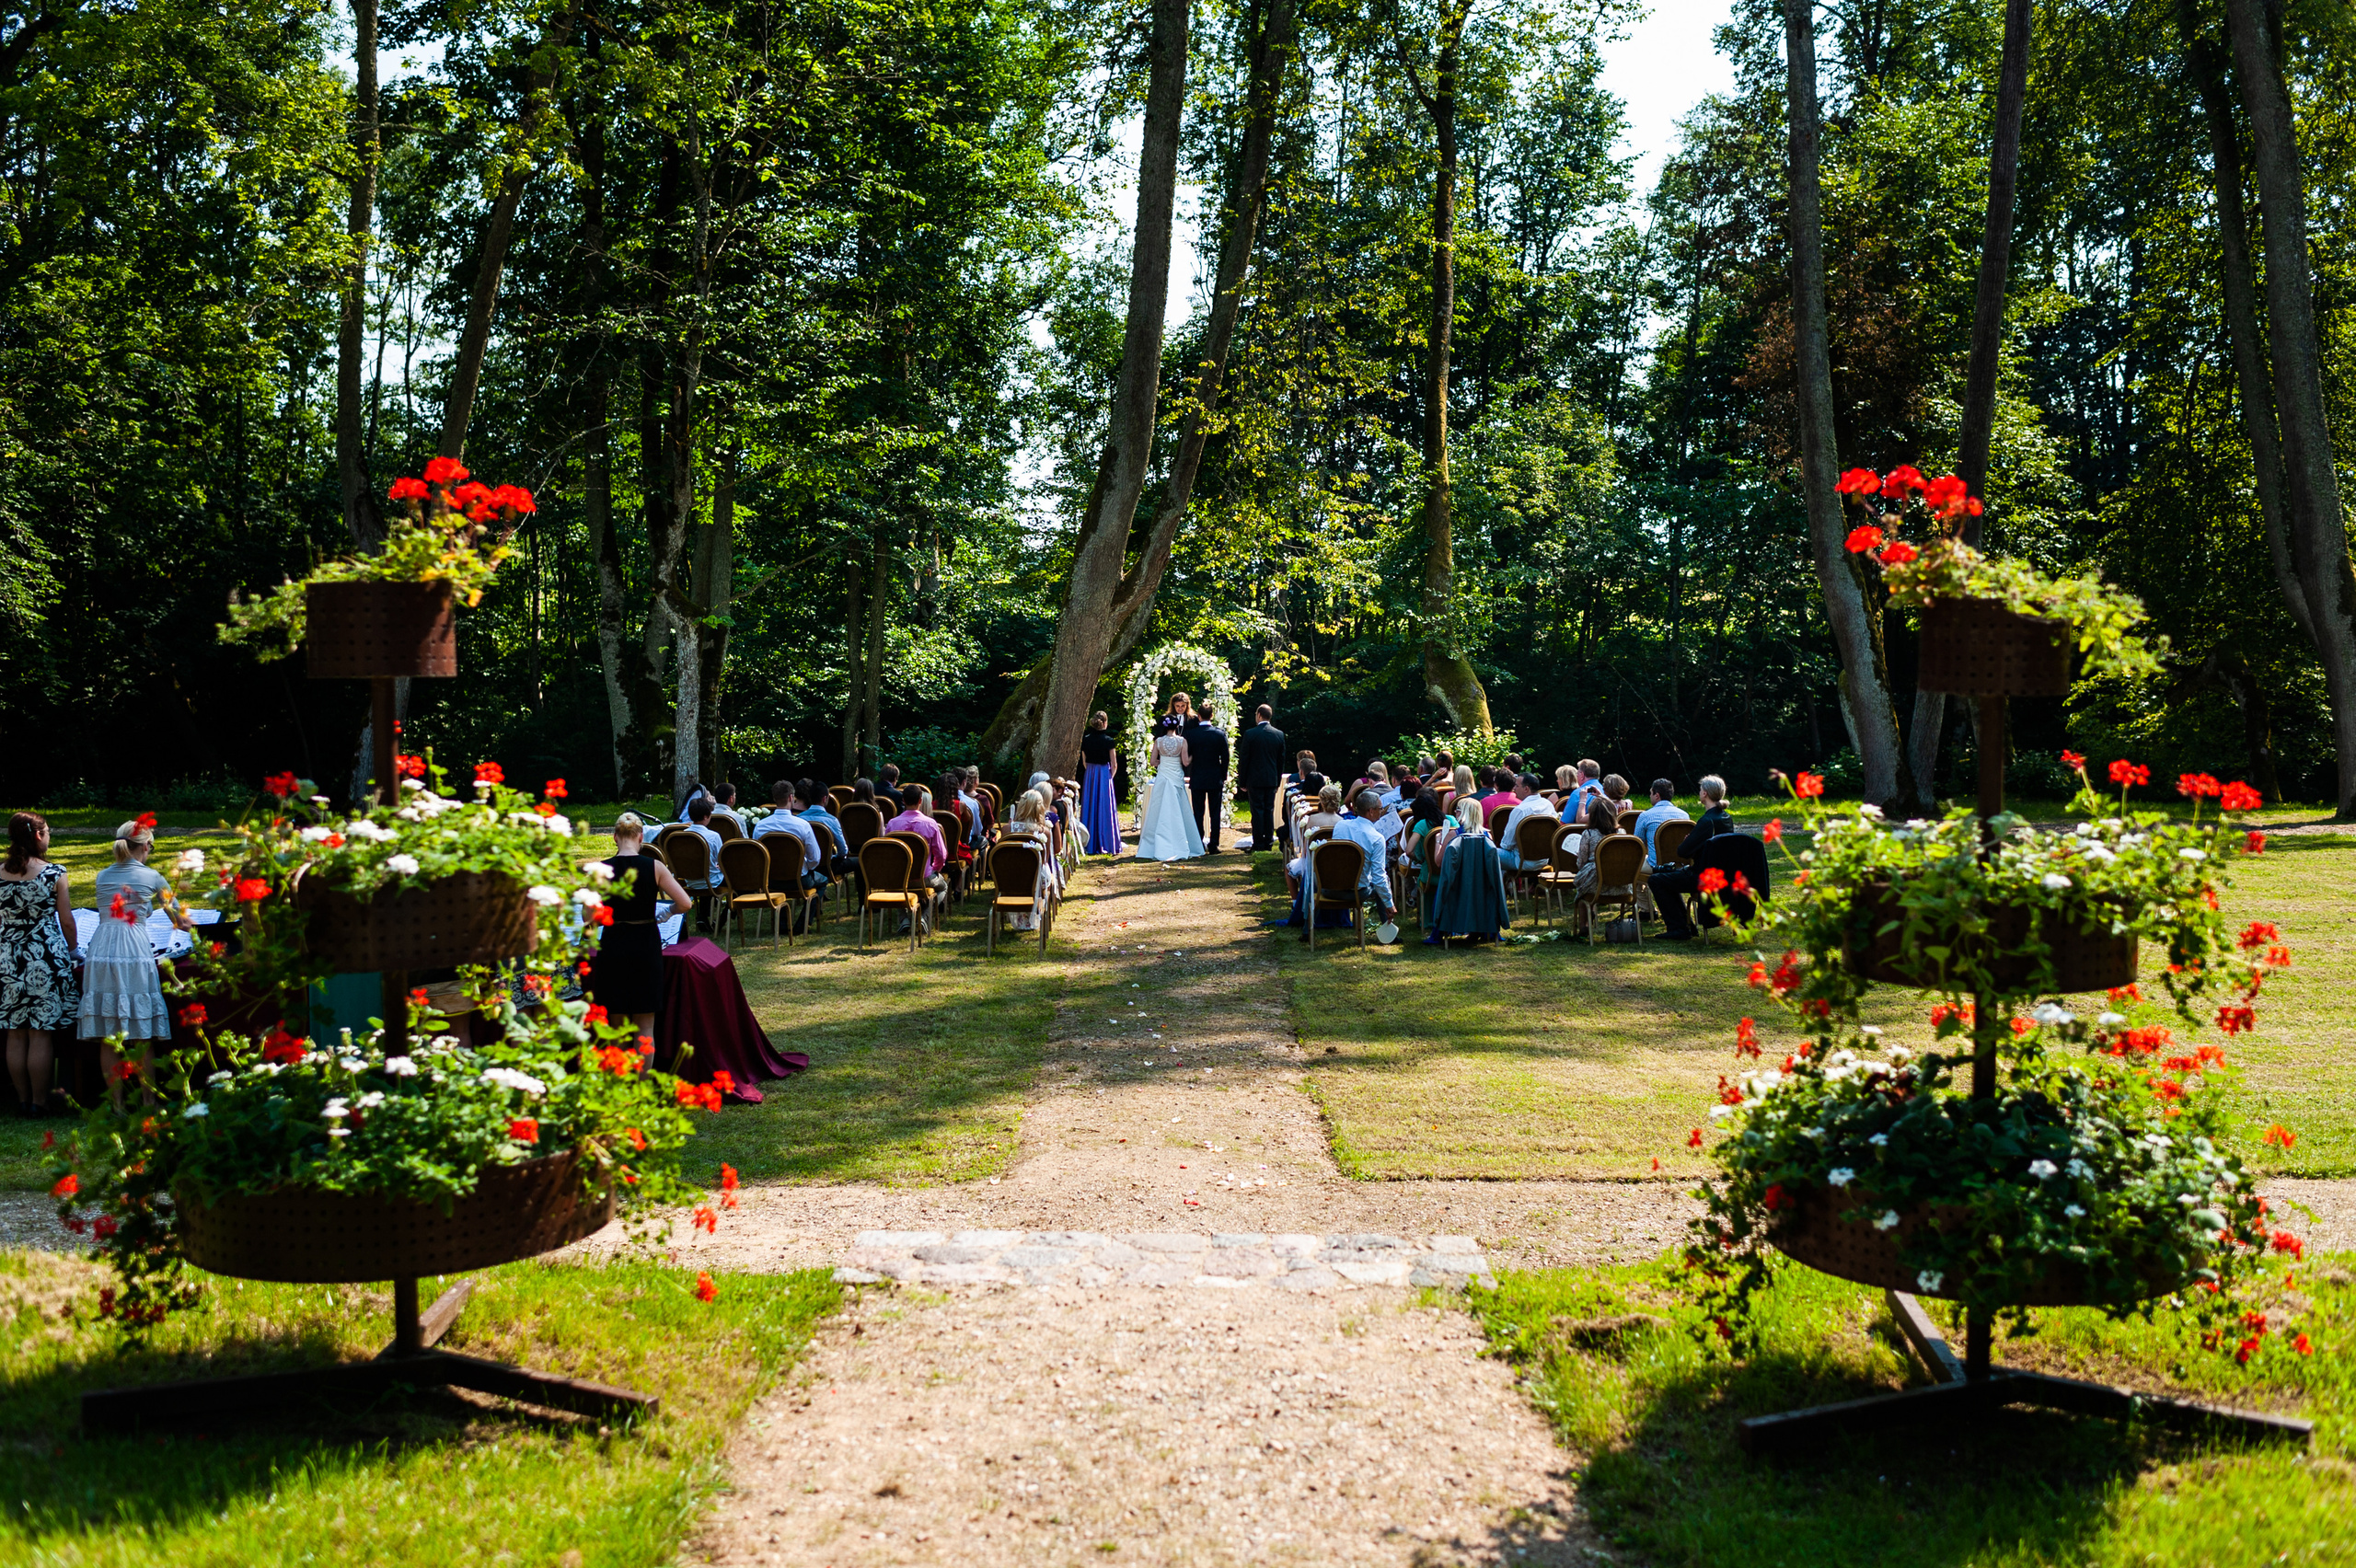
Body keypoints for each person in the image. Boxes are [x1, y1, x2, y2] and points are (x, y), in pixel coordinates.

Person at [79, 816, 190, 1109]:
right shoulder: (153, 877)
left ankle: (116, 1106)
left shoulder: (102, 875)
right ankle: (149, 1101)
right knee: (141, 1033)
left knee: (108, 1033)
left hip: (102, 948)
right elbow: (181, 922)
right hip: (133, 949)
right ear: (147, 846)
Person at [588, 814, 694, 1046]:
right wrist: (665, 913)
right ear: (641, 838)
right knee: (645, 1026)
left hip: (613, 942)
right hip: (645, 942)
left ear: (615, 837)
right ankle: (642, 1082)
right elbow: (685, 903)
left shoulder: (601, 870)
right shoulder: (654, 867)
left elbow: (588, 916)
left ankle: (619, 1080)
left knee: (616, 1024)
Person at [1, 813, 75, 1117]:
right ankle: (40, 1102)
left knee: (15, 1032)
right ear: (38, 836)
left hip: (8, 958)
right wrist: (72, 949)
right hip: (44, 957)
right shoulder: (54, 873)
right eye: (47, 832)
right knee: (40, 1032)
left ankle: (21, 1100)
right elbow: (67, 922)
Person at [1135, 715, 1206, 862]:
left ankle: (1155, 845)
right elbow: (1186, 762)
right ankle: (1181, 842)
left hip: (1163, 777)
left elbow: (1153, 762)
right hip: (1176, 778)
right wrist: (1194, 756)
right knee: (1179, 809)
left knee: (1159, 809)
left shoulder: (1159, 741)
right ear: (1177, 726)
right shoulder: (1181, 741)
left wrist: (1163, 761)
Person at [752, 780, 828, 902]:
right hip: (798, 880)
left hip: (771, 881)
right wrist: (802, 867)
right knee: (823, 880)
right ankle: (805, 919)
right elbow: (815, 858)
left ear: (774, 798)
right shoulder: (802, 825)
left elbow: (756, 856)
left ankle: (782, 918)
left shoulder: (760, 826)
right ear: (791, 797)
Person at [999, 789, 1059, 930]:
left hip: (1010, 880)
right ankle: (1038, 909)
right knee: (1046, 873)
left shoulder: (1007, 830)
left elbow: (1001, 857)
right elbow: (1044, 861)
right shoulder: (1044, 832)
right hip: (1035, 880)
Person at [884, 785, 951, 907]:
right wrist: (935, 869)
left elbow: (886, 853)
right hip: (923, 878)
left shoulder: (892, 824)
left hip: (899, 877)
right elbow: (941, 854)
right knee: (944, 887)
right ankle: (924, 917)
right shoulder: (930, 824)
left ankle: (904, 919)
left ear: (903, 801)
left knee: (901, 888)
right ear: (920, 800)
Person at [1237, 704, 1287, 854]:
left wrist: (1242, 781)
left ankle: (1258, 842)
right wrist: (1277, 780)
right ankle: (1269, 841)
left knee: (1257, 810)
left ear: (1259, 715)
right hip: (1271, 779)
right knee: (1268, 810)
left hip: (1255, 779)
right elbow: (1281, 760)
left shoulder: (1250, 734)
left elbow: (1244, 759)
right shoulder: (1279, 734)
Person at [1184, 698, 1230, 853]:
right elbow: (1225, 758)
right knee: (1214, 812)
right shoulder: (1219, 734)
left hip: (1197, 776)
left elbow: (1188, 757)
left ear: (1198, 716)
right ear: (1212, 715)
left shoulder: (1191, 734)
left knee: (1198, 812)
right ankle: (1214, 843)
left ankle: (1198, 842)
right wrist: (1222, 776)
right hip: (1214, 777)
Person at [1284, 782, 1345, 897]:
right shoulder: (1342, 822)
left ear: (1321, 801)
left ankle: (1296, 901)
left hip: (1315, 868)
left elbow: (1306, 851)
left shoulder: (1312, 819)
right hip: (1337, 868)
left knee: (1289, 869)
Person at [676, 796, 725, 928]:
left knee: (708, 871)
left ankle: (702, 917)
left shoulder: (680, 836)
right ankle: (723, 918)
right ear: (706, 816)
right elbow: (721, 859)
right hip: (711, 881)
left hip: (690, 880)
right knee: (734, 879)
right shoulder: (713, 836)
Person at [1080, 710, 1123, 856]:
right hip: (1104, 773)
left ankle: (1089, 842)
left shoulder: (1085, 739)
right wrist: (1109, 777)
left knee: (1090, 805)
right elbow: (1114, 763)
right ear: (1105, 723)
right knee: (1105, 807)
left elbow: (1084, 762)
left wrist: (1092, 772)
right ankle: (1106, 841)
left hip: (1091, 773)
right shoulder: (1109, 740)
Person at [1496, 775, 1561, 870]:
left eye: (1516, 786)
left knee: (1485, 851)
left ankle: (1495, 885)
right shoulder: (1548, 805)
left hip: (1520, 861)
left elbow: (1507, 844)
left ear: (1526, 789)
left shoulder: (1520, 810)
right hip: (1544, 860)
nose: (1514, 788)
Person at [796, 778, 854, 878]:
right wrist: (832, 857)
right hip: (828, 867)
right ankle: (863, 893)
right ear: (824, 799)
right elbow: (843, 850)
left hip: (806, 866)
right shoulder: (832, 820)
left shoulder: (798, 819)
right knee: (859, 862)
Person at [1634, 778, 1692, 870]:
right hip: (1681, 865)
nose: (1650, 796)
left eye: (1650, 793)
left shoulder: (1645, 816)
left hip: (1656, 866)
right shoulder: (1685, 816)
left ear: (1657, 795)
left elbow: (1637, 846)